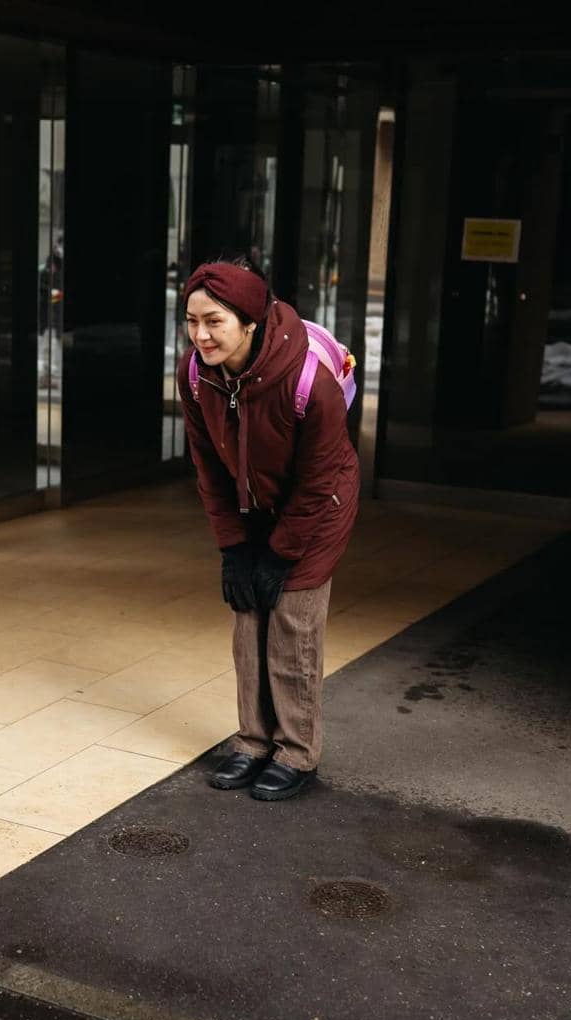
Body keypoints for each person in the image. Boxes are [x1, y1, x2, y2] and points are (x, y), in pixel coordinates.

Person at [179, 259, 359, 800]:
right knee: (248, 613)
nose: (201, 335)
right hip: (251, 503)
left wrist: (281, 555)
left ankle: (297, 752)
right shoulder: (196, 374)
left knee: (293, 623)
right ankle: (254, 740)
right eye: (191, 321)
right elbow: (208, 466)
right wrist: (234, 547)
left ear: (250, 321)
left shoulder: (308, 379)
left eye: (214, 322)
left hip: (318, 503)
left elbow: (317, 477)